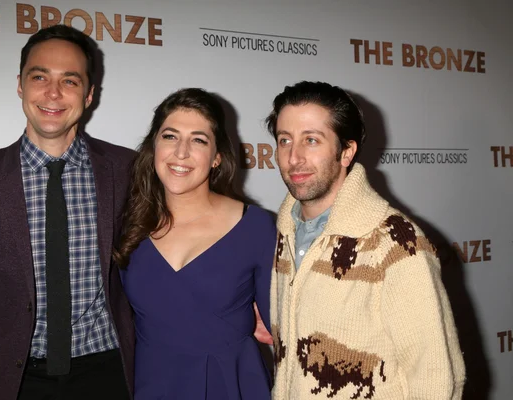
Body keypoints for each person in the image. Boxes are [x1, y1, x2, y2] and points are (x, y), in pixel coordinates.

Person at [0, 25, 135, 400]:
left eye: (69, 81)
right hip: (14, 383)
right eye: (39, 77)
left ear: (89, 95)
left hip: (109, 374)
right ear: (20, 85)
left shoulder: (128, 169)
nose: (53, 93)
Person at [266, 81, 465, 399]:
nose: (294, 157)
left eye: (312, 140)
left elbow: (436, 377)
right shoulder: (285, 232)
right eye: (284, 140)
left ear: (346, 151)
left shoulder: (395, 243)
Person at [114, 88, 276, 399]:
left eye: (198, 140)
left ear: (217, 157)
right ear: (154, 147)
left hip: (232, 386)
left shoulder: (255, 226)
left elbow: (285, 329)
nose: (181, 152)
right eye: (170, 136)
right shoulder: (126, 224)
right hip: (151, 385)